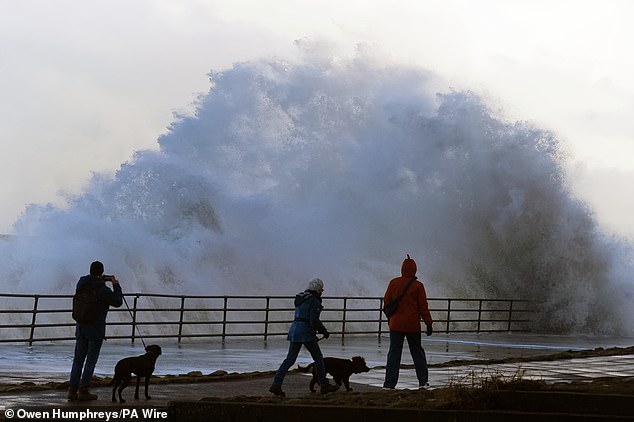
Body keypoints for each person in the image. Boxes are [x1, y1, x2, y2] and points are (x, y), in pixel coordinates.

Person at [269, 278, 339, 397]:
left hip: (295, 330)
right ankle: (324, 384)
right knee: (318, 358)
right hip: (305, 331)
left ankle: (276, 384)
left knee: (289, 360)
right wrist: (324, 331)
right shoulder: (314, 301)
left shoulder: (300, 298)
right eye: (321, 290)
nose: (321, 292)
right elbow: (314, 320)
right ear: (317, 289)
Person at [68, 261, 123, 401]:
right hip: (95, 328)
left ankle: (72, 390)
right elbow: (117, 302)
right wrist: (115, 284)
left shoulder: (81, 282)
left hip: (81, 326)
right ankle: (83, 391)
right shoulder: (102, 289)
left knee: (78, 360)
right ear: (102, 272)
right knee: (90, 361)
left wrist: (99, 279)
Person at [383, 254, 433, 389]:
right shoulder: (418, 286)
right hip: (412, 325)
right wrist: (429, 323)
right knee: (417, 353)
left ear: (402, 269)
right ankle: (423, 382)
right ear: (415, 270)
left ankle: (389, 384)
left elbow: (386, 302)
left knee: (394, 353)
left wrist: (390, 319)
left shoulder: (393, 283)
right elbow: (423, 307)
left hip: (395, 325)